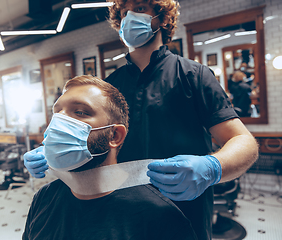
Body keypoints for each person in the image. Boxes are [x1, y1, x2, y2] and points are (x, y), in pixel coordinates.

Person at [24, 1, 259, 239]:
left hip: (184, 210)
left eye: (140, 8)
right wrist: (54, 149)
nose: (130, 18)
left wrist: (212, 168)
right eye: (125, 13)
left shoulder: (193, 76)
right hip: (120, 213)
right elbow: (91, 140)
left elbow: (244, 142)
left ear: (163, 18)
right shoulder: (109, 87)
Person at [23, 75, 198, 240]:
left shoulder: (160, 217)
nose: (59, 123)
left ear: (114, 135)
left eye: (80, 112)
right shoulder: (43, 198)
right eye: (57, 113)